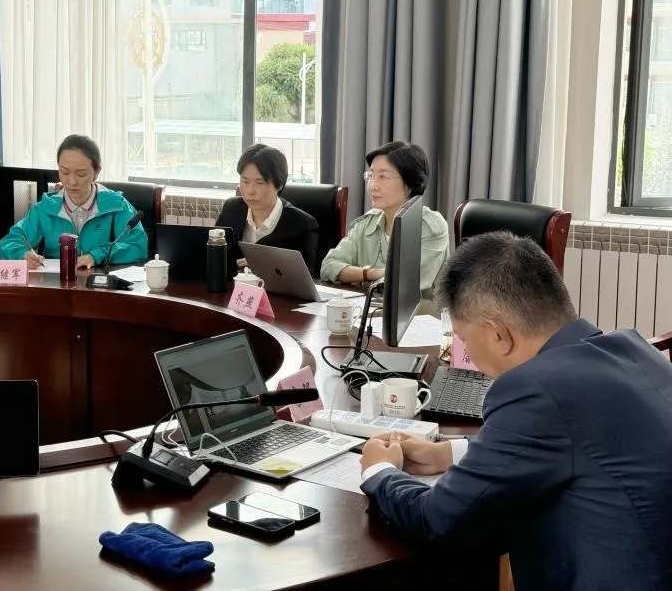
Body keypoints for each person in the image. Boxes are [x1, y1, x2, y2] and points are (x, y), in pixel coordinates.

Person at [359, 232, 672, 591]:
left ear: (498, 334)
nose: (467, 353)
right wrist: (449, 453)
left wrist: (379, 471)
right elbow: (578, 445)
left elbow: (439, 519)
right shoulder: (633, 349)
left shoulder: (536, 389)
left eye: (465, 339)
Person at [0, 134, 147, 269]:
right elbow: (7, 243)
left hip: (101, 285)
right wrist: (22, 254)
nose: (72, 181)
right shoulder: (45, 209)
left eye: (81, 174)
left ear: (96, 173)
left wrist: (97, 256)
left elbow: (138, 246)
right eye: (65, 172)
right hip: (57, 285)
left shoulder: (116, 205)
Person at [319, 141, 448, 297]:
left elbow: (402, 283)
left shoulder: (431, 227)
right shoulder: (367, 223)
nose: (373, 186)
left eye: (383, 177)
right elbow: (328, 266)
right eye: (371, 175)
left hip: (418, 312)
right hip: (367, 308)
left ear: (410, 184)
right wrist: (370, 273)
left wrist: (355, 275)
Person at [214, 144, 319, 272]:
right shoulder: (231, 209)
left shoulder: (302, 225)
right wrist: (236, 265)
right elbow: (212, 258)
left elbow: (305, 277)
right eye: (245, 181)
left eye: (260, 183)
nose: (250, 191)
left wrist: (265, 265)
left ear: (279, 185)